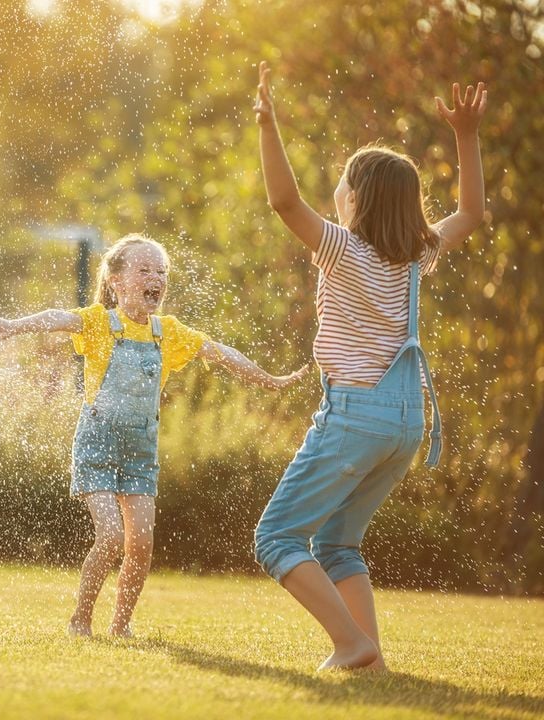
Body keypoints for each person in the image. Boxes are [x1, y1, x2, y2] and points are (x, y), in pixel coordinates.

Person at [252, 61, 486, 670]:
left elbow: (282, 200)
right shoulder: (415, 256)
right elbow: (471, 213)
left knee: (275, 537)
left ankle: (350, 642)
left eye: (341, 184)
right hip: (404, 427)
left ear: (353, 198)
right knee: (336, 541)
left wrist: (268, 126)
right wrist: (466, 135)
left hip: (355, 418)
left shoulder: (344, 247)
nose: (335, 191)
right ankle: (370, 659)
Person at [0, 234, 307, 637]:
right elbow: (56, 317)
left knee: (141, 544)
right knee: (112, 536)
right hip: (96, 444)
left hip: (139, 451)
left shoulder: (167, 332)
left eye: (161, 272)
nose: (156, 278)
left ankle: (121, 625)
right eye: (144, 270)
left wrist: (269, 380)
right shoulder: (100, 323)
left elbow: (221, 352)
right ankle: (80, 618)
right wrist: (14, 327)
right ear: (116, 281)